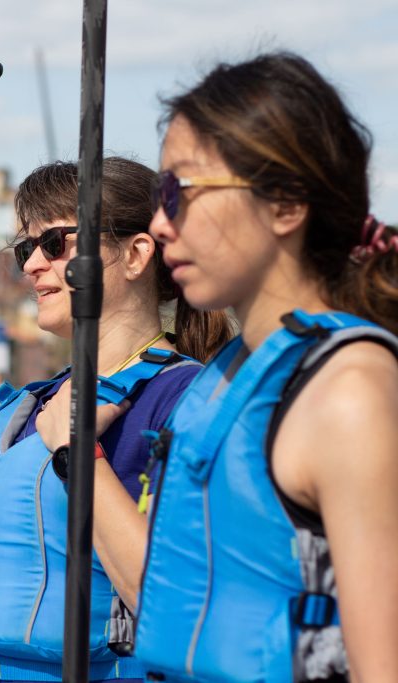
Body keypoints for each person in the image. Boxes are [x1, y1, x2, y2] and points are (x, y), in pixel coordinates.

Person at [0, 158, 233, 682]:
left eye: (55, 243)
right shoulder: (27, 410)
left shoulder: (185, 402)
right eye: (24, 250)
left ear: (136, 254)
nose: (33, 265)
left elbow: (183, 607)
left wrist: (78, 459)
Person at [134, 52, 398, 683]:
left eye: (180, 192)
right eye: (155, 194)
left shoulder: (349, 392)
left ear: (285, 204)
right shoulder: (231, 374)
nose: (157, 223)